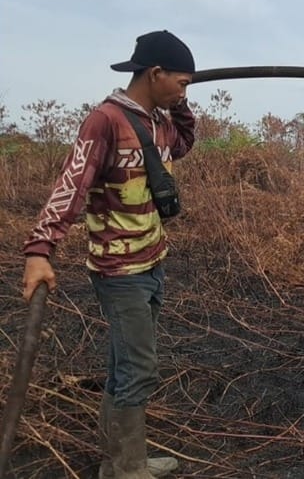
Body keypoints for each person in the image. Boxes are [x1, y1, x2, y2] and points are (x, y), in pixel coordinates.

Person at [20, 30, 197, 478]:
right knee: (139, 368)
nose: (184, 91)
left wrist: (180, 103)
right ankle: (126, 468)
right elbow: (71, 185)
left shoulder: (158, 122)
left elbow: (183, 143)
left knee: (125, 366)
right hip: (120, 271)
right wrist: (40, 250)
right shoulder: (105, 121)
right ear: (155, 73)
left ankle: (121, 461)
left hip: (152, 261)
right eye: (181, 83)